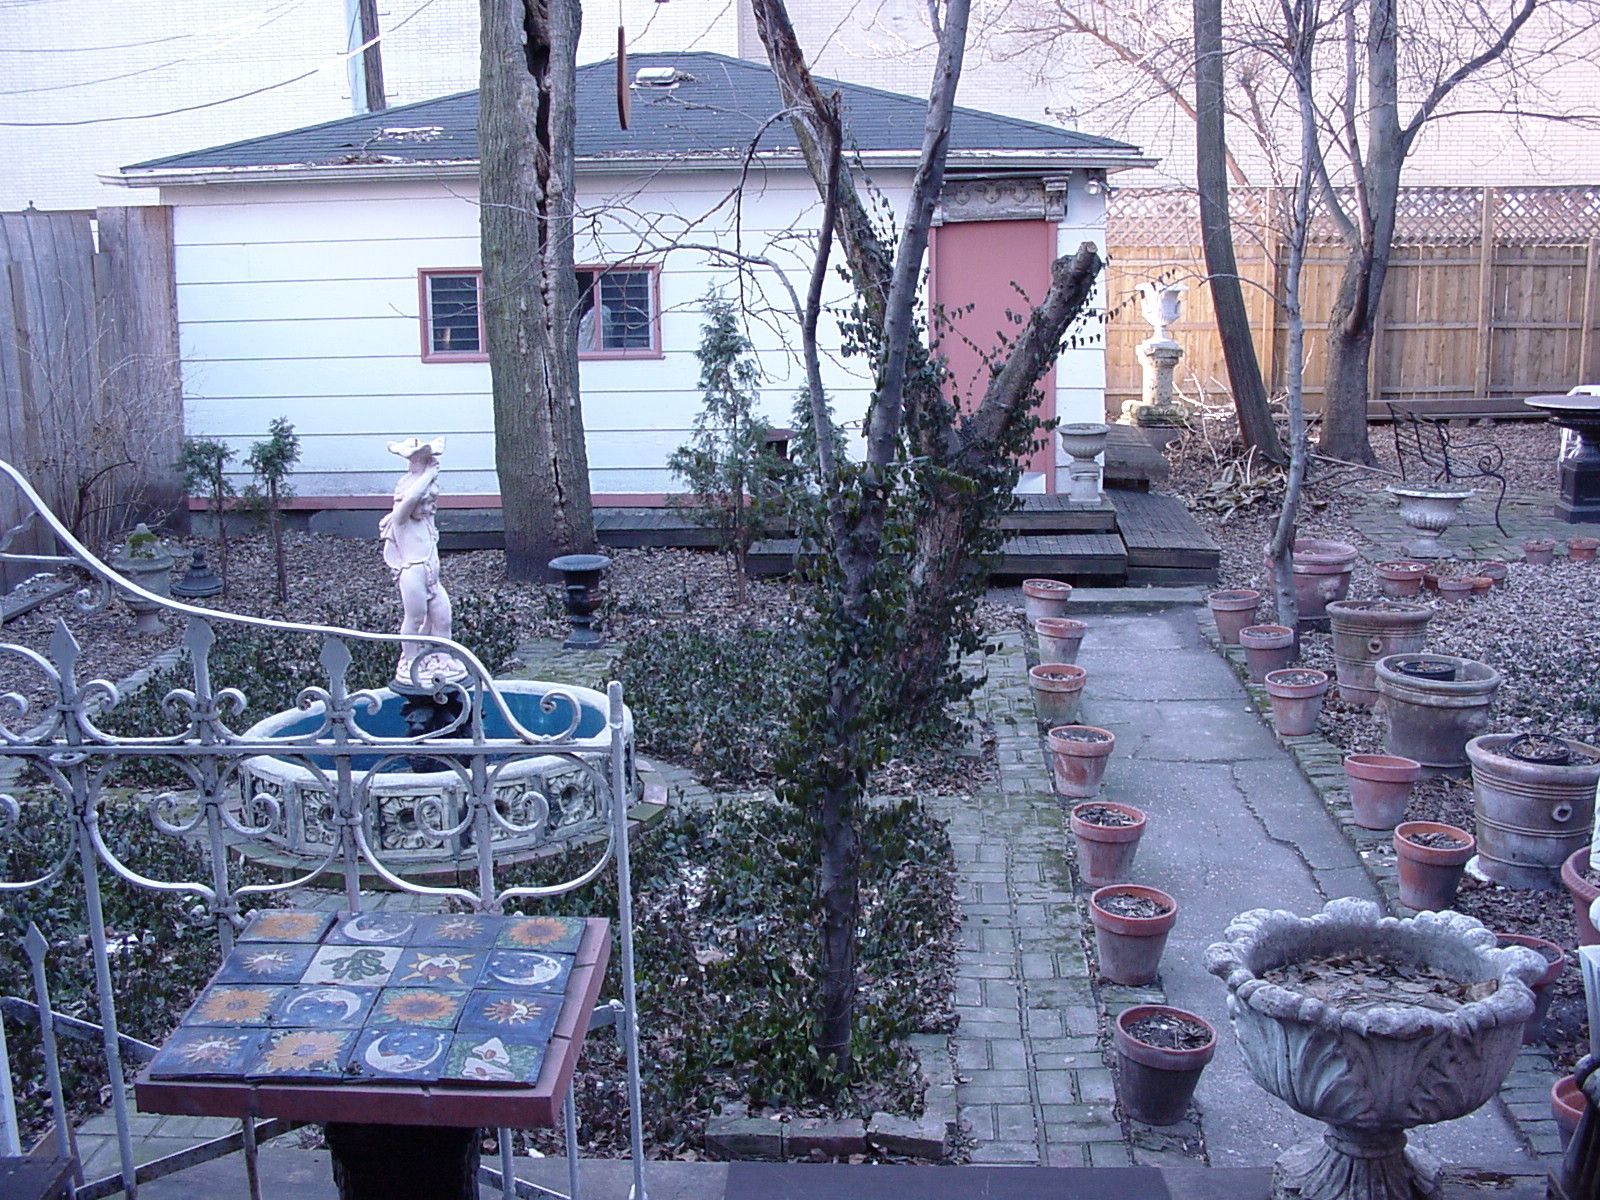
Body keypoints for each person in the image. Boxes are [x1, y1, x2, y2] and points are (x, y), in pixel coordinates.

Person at [378, 437, 458, 685]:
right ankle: (411, 658)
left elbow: (421, 499)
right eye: (424, 504)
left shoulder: (425, 520)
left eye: (432, 504)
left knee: (443, 617)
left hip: (432, 575)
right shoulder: (400, 520)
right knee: (415, 618)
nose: (428, 509)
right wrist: (426, 475)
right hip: (413, 574)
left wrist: (428, 475)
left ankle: (443, 656)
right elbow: (411, 499)